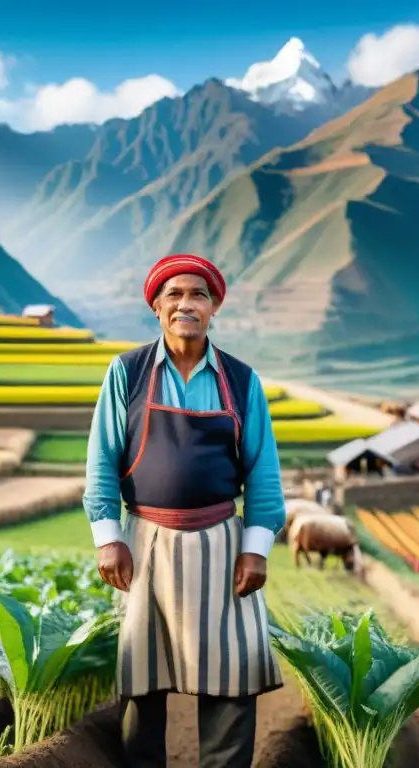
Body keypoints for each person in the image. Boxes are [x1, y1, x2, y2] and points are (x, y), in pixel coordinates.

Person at [82, 253, 287, 767]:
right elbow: (102, 460)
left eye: (198, 294)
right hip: (145, 540)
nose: (185, 304)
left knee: (231, 678)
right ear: (156, 307)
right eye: (173, 295)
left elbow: (263, 472)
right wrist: (110, 538)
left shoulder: (242, 381)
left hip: (222, 541)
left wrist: (256, 549)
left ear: (214, 307)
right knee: (143, 679)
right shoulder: (125, 374)